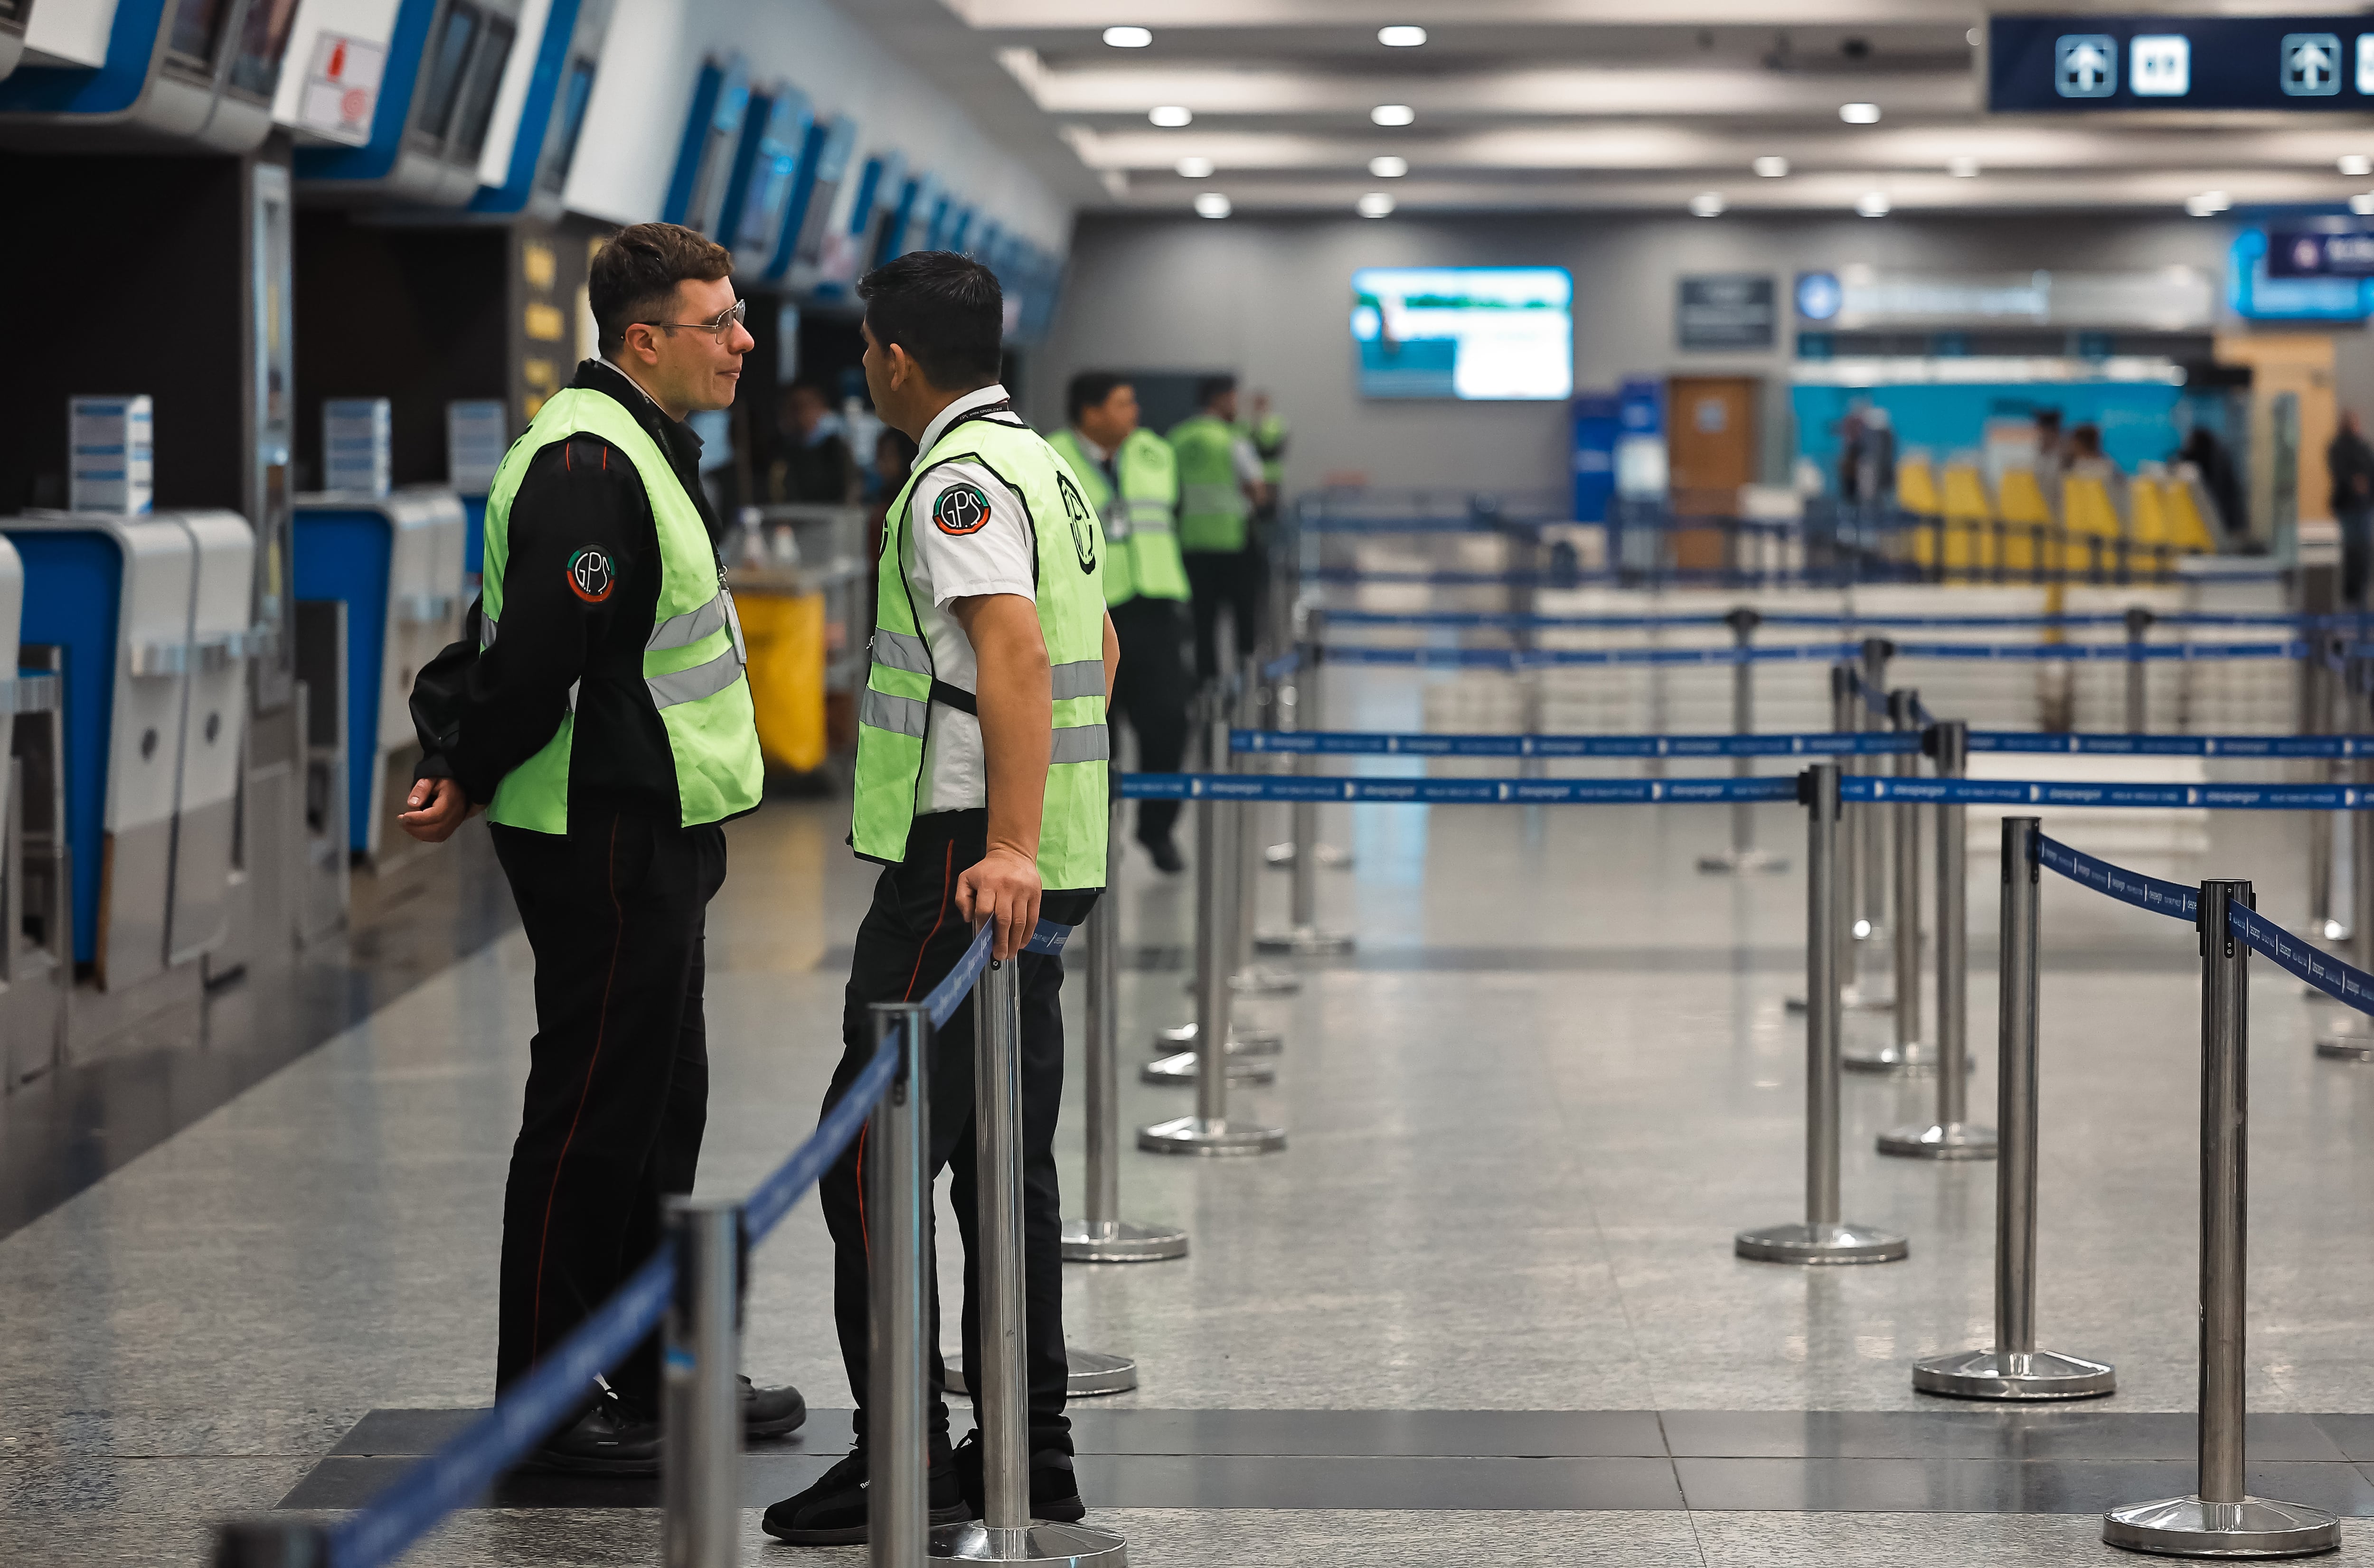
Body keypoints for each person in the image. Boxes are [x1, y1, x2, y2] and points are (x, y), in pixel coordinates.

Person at [396, 223, 805, 1473]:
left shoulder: (647, 443)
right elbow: (537, 659)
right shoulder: (587, 462)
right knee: (589, 1111)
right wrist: (464, 765)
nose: (745, 341)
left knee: (658, 1104)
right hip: (603, 825)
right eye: (720, 322)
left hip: (661, 815)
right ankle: (545, 1404)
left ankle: (659, 1360)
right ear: (645, 339)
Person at [762, 250, 1118, 1544]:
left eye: (865, 353)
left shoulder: (958, 480)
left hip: (968, 861)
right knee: (1000, 1156)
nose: (865, 372)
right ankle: (1034, 1445)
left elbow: (1017, 652)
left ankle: (903, 1450)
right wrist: (1045, 836)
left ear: (896, 359)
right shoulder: (1049, 465)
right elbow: (1100, 645)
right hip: (1046, 848)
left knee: (871, 1153)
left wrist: (1005, 840)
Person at [1048, 372, 1193, 872]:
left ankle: (1157, 830)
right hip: (1086, 615)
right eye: (1122, 403)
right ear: (1089, 412)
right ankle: (1093, 840)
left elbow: (1172, 513)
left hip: (1154, 608)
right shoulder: (1049, 456)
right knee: (1090, 732)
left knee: (1169, 723)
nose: (1134, 412)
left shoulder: (1156, 452)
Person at [1170, 374, 1269, 683]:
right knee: (1244, 616)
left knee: (1203, 620)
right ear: (1219, 399)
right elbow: (1258, 488)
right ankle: (1246, 678)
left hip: (1191, 542)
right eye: (1234, 399)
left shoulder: (1178, 438)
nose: (1236, 406)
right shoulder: (1232, 440)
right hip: (1233, 542)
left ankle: (1206, 683)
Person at [770, 381, 857, 503]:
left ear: (821, 407)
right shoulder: (780, 452)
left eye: (808, 405)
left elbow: (851, 490)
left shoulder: (836, 450)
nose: (803, 413)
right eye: (796, 407)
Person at [2332, 411, 2374, 605]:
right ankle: (2352, 591)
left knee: (2363, 548)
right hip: (2348, 506)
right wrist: (2353, 483)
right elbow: (2339, 472)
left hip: (2363, 506)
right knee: (2351, 548)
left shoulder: (2363, 447)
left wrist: (2365, 486)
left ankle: (2361, 589)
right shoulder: (2338, 447)